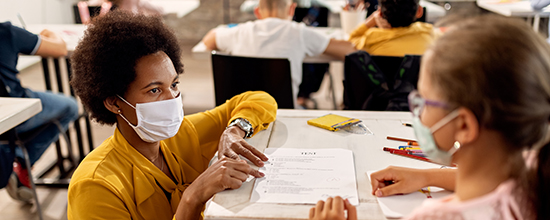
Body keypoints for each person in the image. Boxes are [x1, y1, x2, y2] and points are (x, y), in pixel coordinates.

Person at [310, 15, 550, 220]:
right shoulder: (533, 172)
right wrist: (426, 176)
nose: (418, 113)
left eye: (423, 102)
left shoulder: (434, 216)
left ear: (464, 125)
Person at [67, 11, 277, 220]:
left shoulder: (183, 134)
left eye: (174, 84)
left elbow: (260, 99)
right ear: (114, 103)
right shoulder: (95, 185)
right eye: (155, 90)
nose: (173, 98)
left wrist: (235, 130)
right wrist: (192, 198)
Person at [202, 0, 356, 108]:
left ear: (257, 12)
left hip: (239, 112)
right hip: (284, 113)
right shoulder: (299, 32)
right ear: (291, 9)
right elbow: (349, 50)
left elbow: (208, 40)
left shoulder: (239, 32)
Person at [0, 21, 79, 202]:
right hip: (17, 109)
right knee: (70, 107)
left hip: (2, 116)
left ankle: (14, 155)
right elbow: (59, 49)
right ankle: (21, 160)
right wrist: (50, 34)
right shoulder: (7, 32)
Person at [348, 0, 433, 57]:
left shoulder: (371, 39)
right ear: (419, 11)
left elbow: (351, 41)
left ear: (380, 13)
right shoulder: (430, 34)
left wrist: (372, 19)